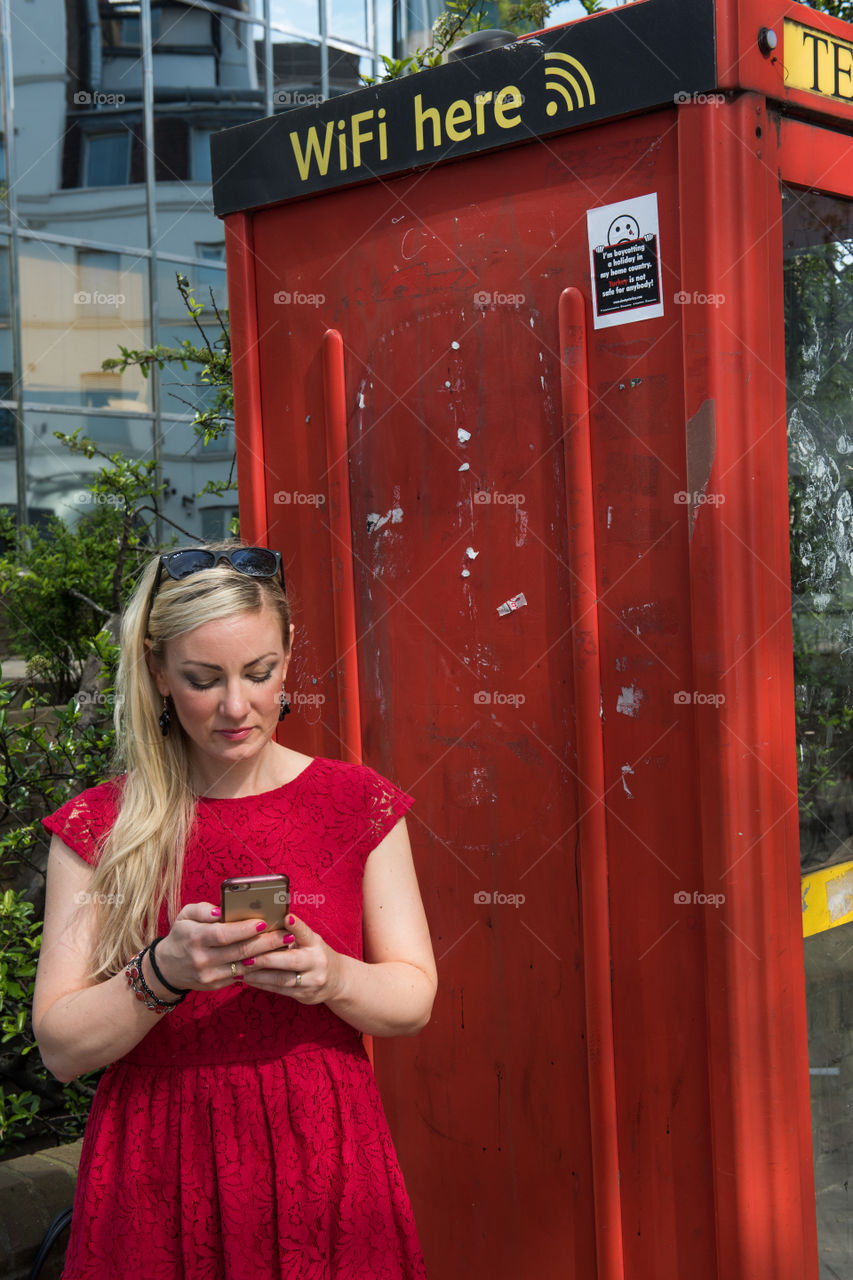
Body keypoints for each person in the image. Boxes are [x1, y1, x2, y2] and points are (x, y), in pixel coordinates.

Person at [32, 541, 437, 1279]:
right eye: (201, 679)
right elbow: (60, 1048)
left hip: (324, 1154)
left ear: (288, 658)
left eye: (259, 673)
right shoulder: (100, 825)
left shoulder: (357, 804)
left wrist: (332, 976)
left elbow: (412, 999)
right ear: (156, 671)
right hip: (157, 1165)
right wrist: (161, 972)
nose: (236, 706)